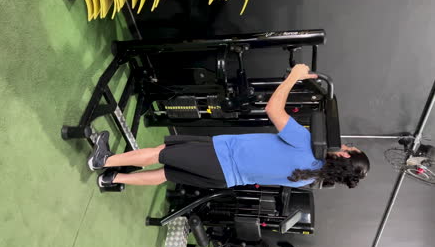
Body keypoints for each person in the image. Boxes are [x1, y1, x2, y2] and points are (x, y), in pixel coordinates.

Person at [88, 64, 370, 190]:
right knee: (165, 174)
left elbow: (273, 109)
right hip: (224, 179)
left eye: (349, 147)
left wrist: (293, 77)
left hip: (220, 156)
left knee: (159, 153)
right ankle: (112, 180)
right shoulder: (311, 178)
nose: (344, 145)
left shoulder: (309, 143)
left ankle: (103, 160)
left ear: (345, 155)